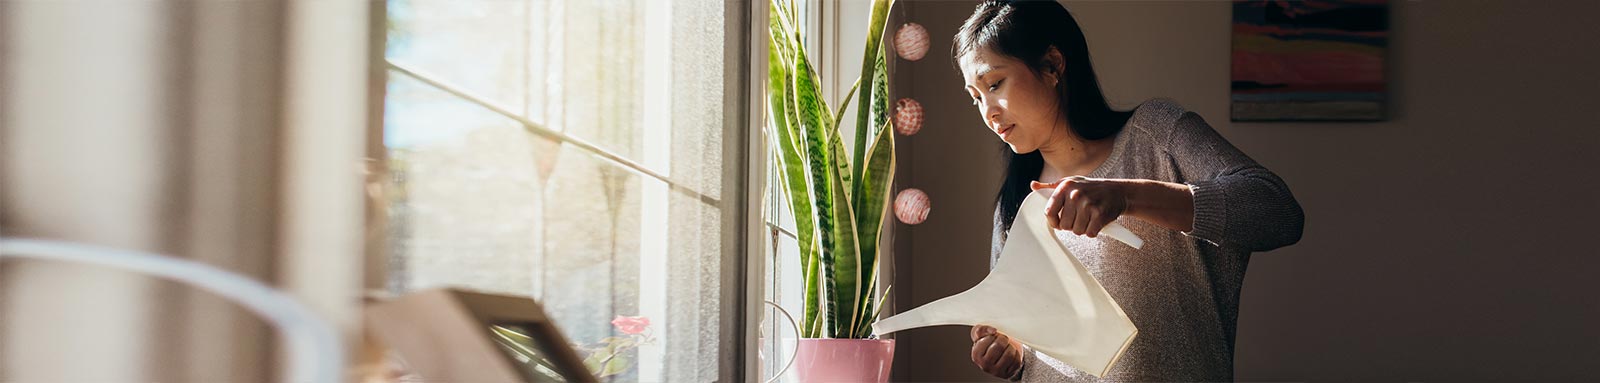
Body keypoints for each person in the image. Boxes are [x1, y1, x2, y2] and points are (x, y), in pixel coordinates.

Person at [954, 1, 1305, 381]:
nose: (987, 111)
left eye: (994, 84)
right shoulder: (1014, 203)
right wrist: (1011, 353)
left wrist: (1125, 197)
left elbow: (1278, 212)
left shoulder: (1156, 135)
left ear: (1052, 64)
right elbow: (1022, 340)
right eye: (975, 97)